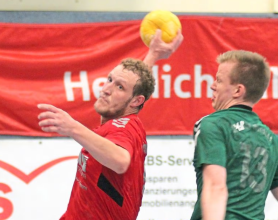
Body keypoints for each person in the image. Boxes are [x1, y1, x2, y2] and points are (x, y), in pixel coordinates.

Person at [38, 30, 184, 220]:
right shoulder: (125, 119)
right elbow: (135, 88)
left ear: (135, 101)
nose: (106, 89)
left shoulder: (123, 128)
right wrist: (154, 54)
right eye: (109, 80)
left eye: (119, 87)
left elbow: (121, 160)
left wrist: (72, 127)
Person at [191, 50, 278, 220]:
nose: (212, 85)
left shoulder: (213, 124)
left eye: (219, 80)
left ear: (238, 91)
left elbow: (216, 187)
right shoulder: (272, 139)